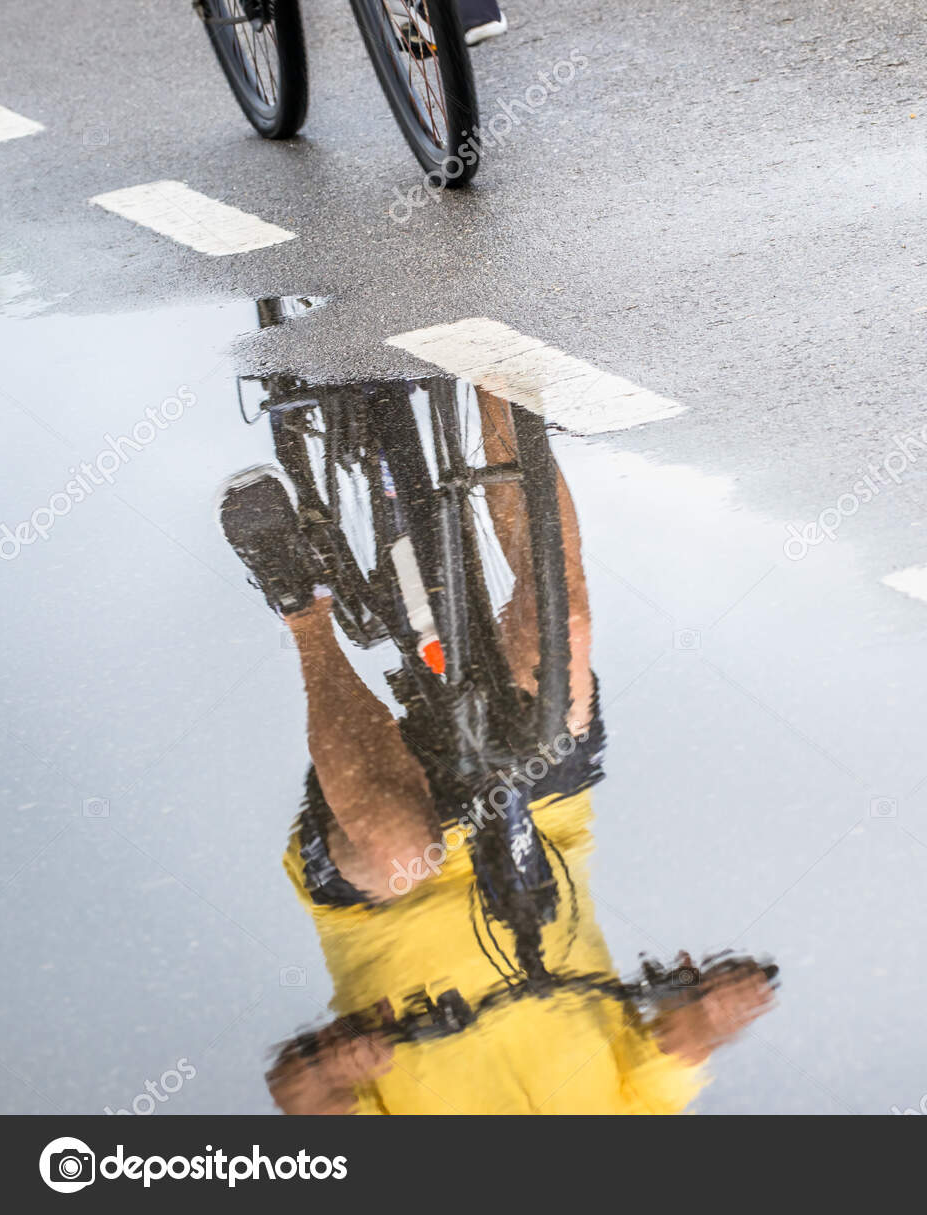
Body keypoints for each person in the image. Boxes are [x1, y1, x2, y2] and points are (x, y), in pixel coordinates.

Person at [217, 383, 775, 1113]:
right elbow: (681, 1043)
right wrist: (716, 1013)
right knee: (564, 626)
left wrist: (334, 1068)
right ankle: (498, 387)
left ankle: (301, 607)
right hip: (541, 821)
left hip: (383, 898)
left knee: (398, 849)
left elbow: (294, 1092)